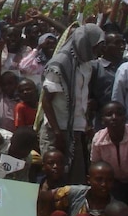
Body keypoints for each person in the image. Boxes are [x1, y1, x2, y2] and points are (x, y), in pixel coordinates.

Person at [39, 24, 105, 184]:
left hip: (76, 130)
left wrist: (85, 123)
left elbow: (81, 98)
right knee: (56, 181)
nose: (98, 51)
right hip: (57, 131)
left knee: (76, 181)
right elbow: (46, 102)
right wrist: (57, 133)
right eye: (96, 46)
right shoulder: (60, 64)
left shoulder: (86, 64)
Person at [89, 102, 128, 216]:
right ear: (103, 120)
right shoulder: (98, 139)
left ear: (125, 118)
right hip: (113, 181)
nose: (114, 117)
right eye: (109, 114)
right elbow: (95, 165)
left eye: (119, 114)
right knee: (115, 211)